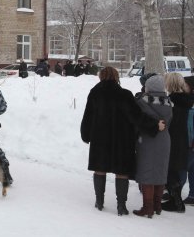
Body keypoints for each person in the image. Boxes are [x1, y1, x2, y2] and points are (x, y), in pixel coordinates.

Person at [80, 67, 164, 216]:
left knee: (100, 168)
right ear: (116, 77)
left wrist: (86, 135)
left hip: (100, 139)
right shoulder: (124, 94)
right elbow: (136, 116)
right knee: (121, 172)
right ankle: (121, 206)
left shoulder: (95, 93)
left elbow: (88, 116)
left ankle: (99, 201)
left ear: (101, 77)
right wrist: (154, 125)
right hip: (122, 140)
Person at [133, 74, 173, 218]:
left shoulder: (142, 101)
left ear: (148, 87)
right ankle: (157, 206)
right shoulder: (169, 102)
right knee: (160, 172)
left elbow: (137, 118)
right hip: (164, 140)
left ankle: (147, 208)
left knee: (147, 172)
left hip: (148, 139)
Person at [161, 73, 194, 213]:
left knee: (172, 169)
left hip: (174, 138)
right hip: (185, 139)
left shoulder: (171, 101)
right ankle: (176, 199)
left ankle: (176, 201)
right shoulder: (188, 100)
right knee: (180, 168)